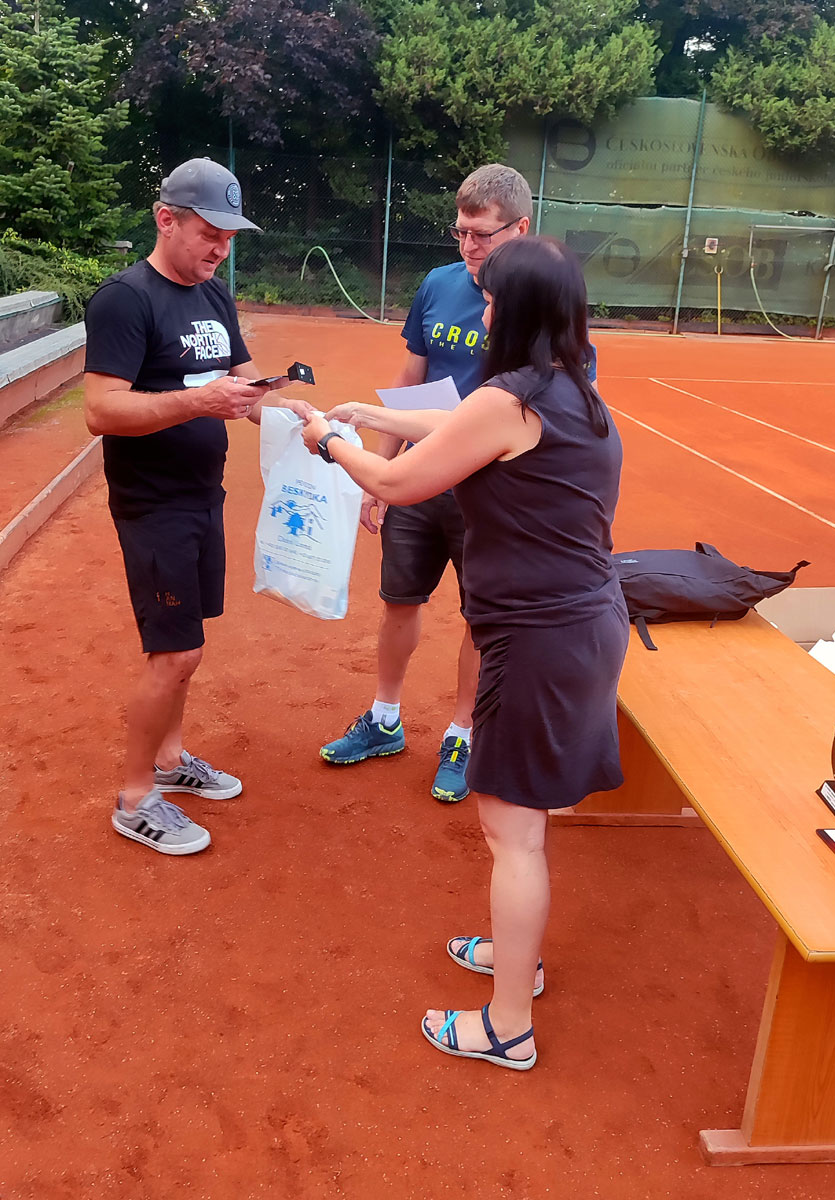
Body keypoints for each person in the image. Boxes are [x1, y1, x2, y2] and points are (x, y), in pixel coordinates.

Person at [297, 236, 629, 1069]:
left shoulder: (510, 400)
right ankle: (518, 958)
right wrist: (373, 416)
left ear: (515, 310)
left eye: (490, 298)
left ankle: (508, 1024)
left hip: (539, 638)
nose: (480, 310)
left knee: (513, 832)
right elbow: (459, 426)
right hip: (582, 624)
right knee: (524, 824)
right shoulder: (571, 388)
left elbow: (399, 483)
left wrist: (329, 441)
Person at [318, 164, 533, 804]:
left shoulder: (540, 303)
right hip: (419, 477)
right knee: (399, 600)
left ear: (520, 229)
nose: (469, 246)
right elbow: (411, 379)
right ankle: (384, 719)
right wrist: (380, 479)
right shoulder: (438, 284)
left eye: (482, 234)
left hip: (490, 493)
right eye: (460, 232)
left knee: (479, 616)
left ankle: (463, 734)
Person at [84, 158, 274, 856]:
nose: (220, 248)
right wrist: (198, 401)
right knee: (176, 650)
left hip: (202, 495)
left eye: (229, 236)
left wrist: (305, 414)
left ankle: (169, 760)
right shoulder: (124, 299)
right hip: (152, 503)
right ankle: (136, 797)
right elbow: (102, 410)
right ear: (166, 219)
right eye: (209, 233)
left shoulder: (214, 293)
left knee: (188, 647)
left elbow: (243, 382)